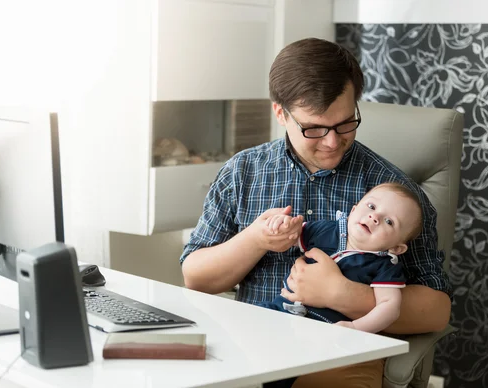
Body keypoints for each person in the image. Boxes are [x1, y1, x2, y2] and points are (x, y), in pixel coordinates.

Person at [180, 37, 451, 387]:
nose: (332, 142)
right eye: (314, 128)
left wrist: (342, 295)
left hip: (340, 352)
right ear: (281, 113)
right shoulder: (242, 173)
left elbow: (437, 310)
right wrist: (256, 239)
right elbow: (195, 278)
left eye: (344, 124)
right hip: (251, 344)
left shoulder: (394, 197)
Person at [260, 182, 423, 334]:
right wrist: (282, 224)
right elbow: (290, 234)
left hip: (323, 331)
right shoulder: (328, 230)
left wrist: (355, 327)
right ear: (353, 211)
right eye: (371, 206)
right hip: (279, 310)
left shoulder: (384, 266)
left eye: (389, 221)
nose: (375, 217)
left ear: (396, 248)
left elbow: (389, 308)